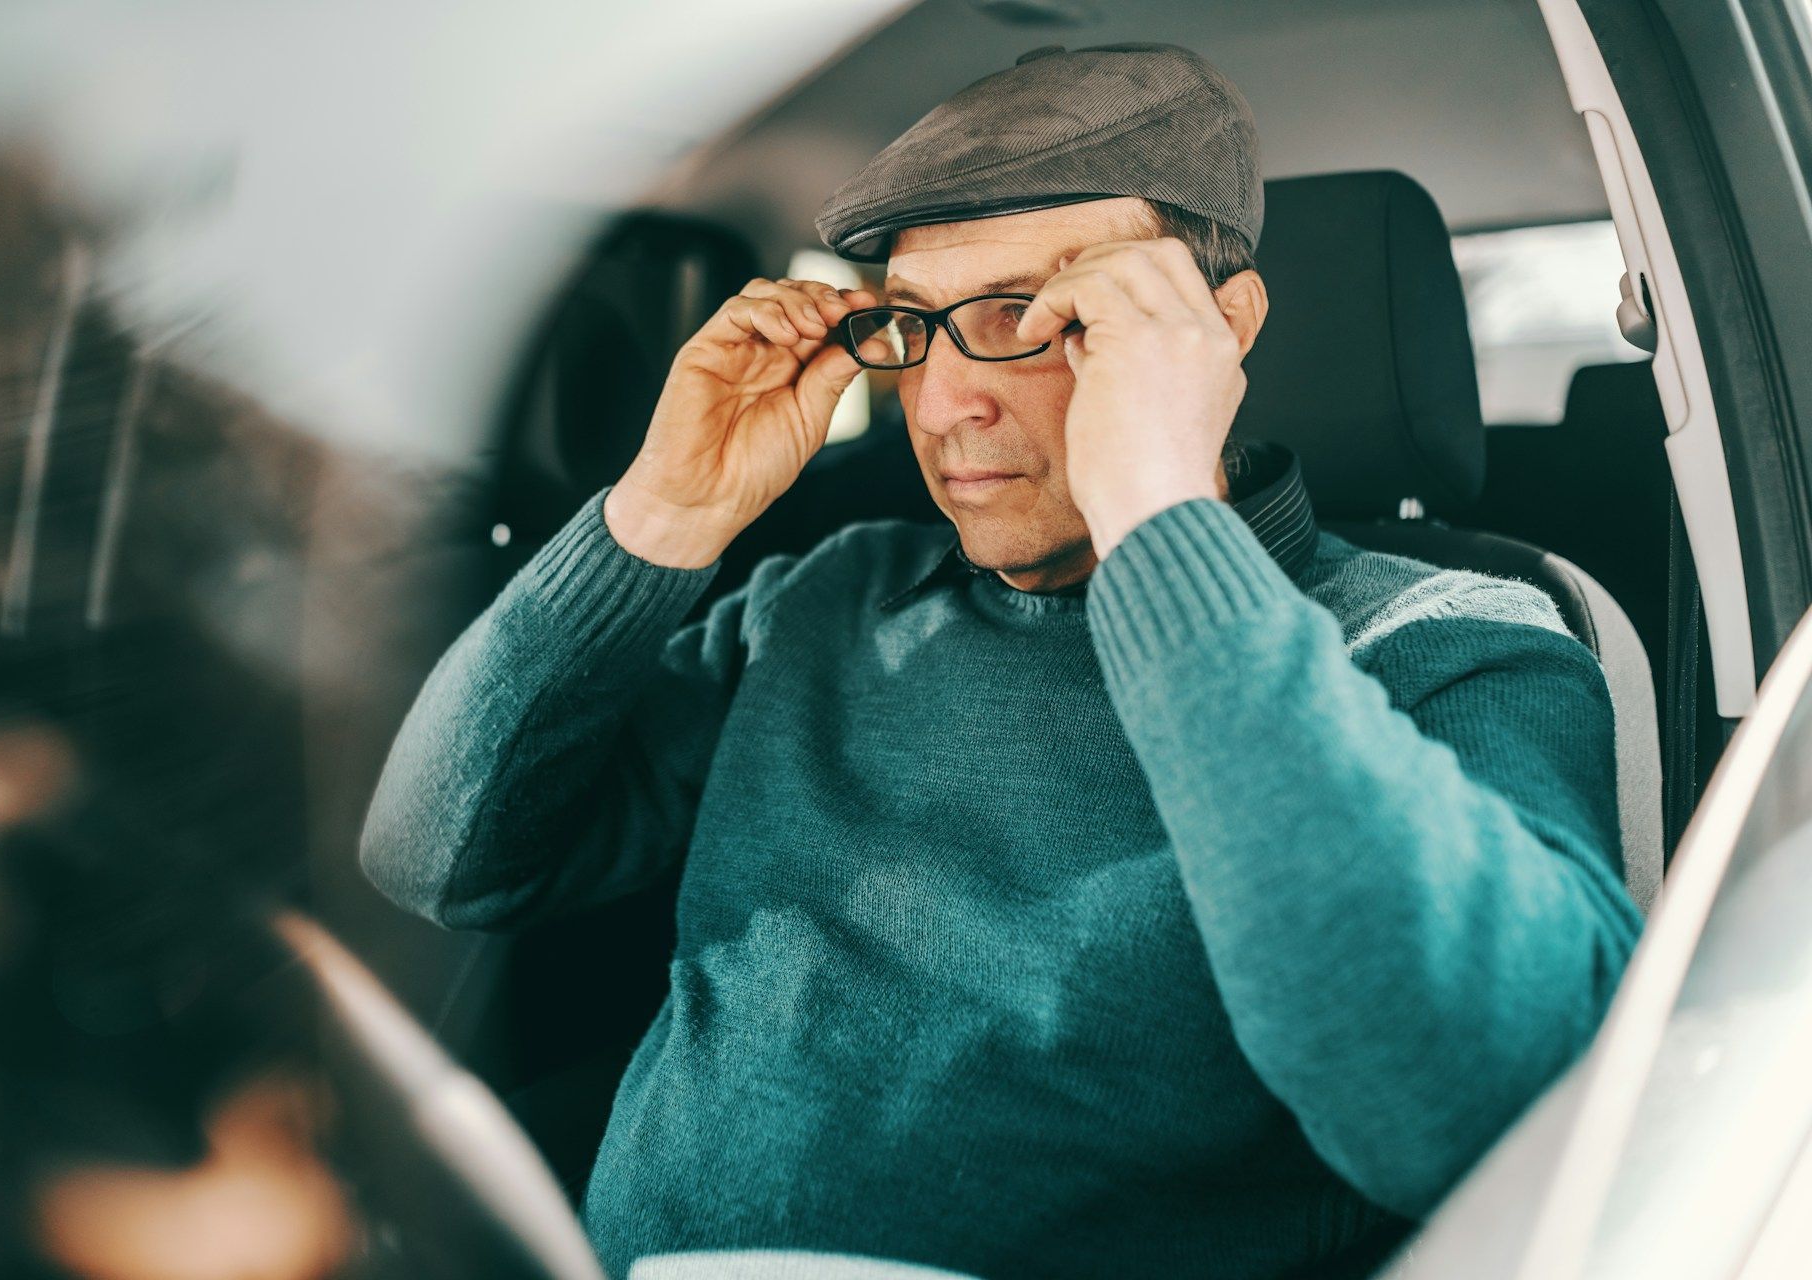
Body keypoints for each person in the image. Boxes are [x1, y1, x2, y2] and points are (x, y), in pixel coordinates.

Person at [360, 43, 1643, 1280]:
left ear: (1221, 327)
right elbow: (437, 855)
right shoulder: (826, 599)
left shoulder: (1448, 639)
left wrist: (1157, 510)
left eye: (1031, 317)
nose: (942, 401)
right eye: (916, 327)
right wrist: (662, 513)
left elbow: (1478, 1102)